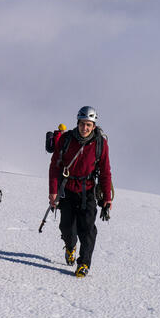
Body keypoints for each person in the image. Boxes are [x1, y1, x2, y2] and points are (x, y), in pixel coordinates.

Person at [48, 106, 112, 278]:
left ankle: (84, 263)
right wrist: (53, 191)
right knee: (67, 227)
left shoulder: (100, 143)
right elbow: (55, 166)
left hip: (88, 192)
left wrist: (107, 197)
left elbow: (105, 171)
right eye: (83, 124)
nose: (85, 128)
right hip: (67, 190)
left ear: (93, 126)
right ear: (78, 123)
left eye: (89, 125)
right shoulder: (67, 139)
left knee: (88, 229)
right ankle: (70, 246)